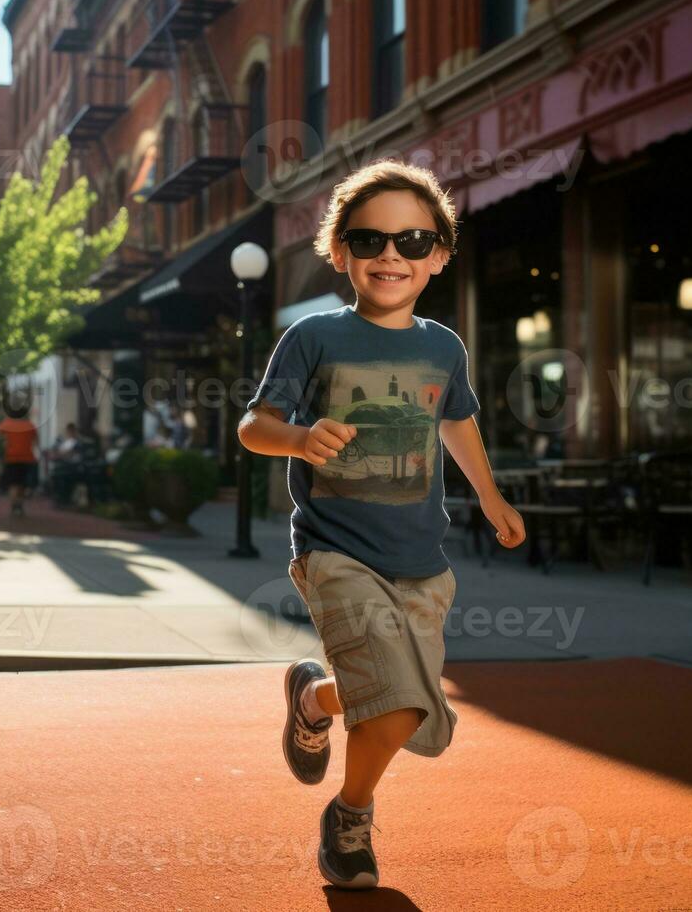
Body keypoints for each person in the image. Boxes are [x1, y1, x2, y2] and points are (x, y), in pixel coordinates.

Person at [237, 159, 526, 891]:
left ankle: (312, 697)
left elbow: (456, 423)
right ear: (340, 254)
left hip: (421, 562)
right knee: (396, 702)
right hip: (335, 554)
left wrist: (490, 499)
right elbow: (253, 426)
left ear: (436, 255)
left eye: (409, 240)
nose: (389, 255)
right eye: (367, 241)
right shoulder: (313, 338)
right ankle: (350, 819)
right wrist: (299, 438)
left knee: (396, 706)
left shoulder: (442, 347)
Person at [0, 392, 38, 518]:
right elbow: (36, 442)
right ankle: (19, 505)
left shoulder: (6, 424)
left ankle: (14, 505)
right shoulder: (30, 426)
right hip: (27, 458)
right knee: (22, 484)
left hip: (10, 457)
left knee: (12, 483)